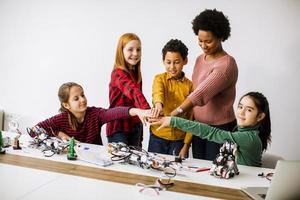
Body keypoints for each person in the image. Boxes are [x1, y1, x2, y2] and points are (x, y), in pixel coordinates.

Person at [169, 9, 238, 160]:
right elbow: (193, 89)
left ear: (221, 37)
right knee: (199, 168)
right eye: (200, 40)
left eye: (208, 41)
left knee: (216, 172)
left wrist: (173, 115)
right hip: (198, 126)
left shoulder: (226, 65)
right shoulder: (200, 59)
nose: (203, 45)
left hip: (220, 128)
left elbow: (200, 94)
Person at [150, 92, 271, 167]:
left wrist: (173, 120)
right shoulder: (242, 132)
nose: (241, 112)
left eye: (249, 110)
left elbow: (211, 132)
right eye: (240, 107)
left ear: (260, 116)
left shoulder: (249, 138)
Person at [32, 82, 153, 145]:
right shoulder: (61, 119)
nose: (83, 99)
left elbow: (114, 112)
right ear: (66, 105)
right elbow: (34, 130)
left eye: (82, 95)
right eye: (76, 98)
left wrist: (137, 111)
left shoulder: (94, 114)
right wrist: (60, 134)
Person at [106, 33, 159, 147]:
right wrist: (147, 110)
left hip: (135, 125)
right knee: (120, 161)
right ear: (121, 51)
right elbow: (133, 91)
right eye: (130, 49)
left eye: (138, 49)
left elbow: (136, 98)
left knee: (135, 160)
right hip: (119, 126)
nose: (135, 53)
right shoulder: (118, 73)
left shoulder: (136, 73)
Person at [148, 39, 193, 158]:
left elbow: (191, 118)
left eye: (176, 62)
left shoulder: (190, 86)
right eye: (168, 62)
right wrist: (158, 105)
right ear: (163, 61)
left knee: (175, 171)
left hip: (179, 140)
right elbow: (158, 93)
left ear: (185, 61)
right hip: (157, 136)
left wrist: (186, 145)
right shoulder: (159, 79)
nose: (172, 67)